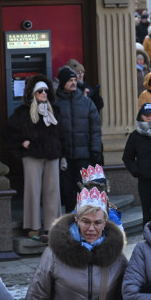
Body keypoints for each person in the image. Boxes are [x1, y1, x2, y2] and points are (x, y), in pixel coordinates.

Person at [4, 75, 62, 240]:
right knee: (32, 191)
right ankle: (33, 226)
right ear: (33, 94)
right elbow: (8, 132)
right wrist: (22, 142)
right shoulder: (22, 113)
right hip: (32, 156)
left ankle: (53, 226)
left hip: (52, 155)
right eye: (39, 91)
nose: (43, 93)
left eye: (45, 90)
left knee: (53, 191)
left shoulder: (55, 111)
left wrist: (61, 153)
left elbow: (63, 134)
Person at [53, 65, 103, 212]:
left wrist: (95, 150)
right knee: (67, 191)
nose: (73, 82)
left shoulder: (87, 103)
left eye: (75, 80)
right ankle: (71, 218)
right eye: (70, 80)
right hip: (65, 156)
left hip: (84, 155)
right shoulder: (56, 105)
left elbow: (95, 128)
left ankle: (84, 216)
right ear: (63, 83)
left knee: (83, 188)